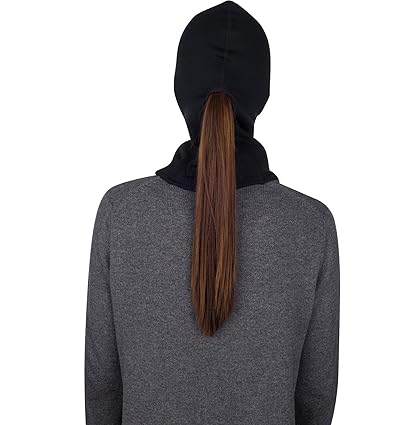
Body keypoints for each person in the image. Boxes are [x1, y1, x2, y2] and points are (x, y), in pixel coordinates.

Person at [84, 1, 340, 424]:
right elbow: (316, 397)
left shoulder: (120, 212)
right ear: (261, 95)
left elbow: (102, 388)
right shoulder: (311, 225)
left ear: (180, 91)